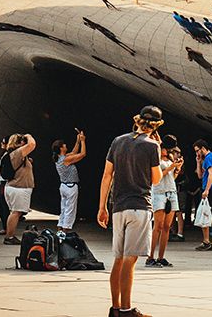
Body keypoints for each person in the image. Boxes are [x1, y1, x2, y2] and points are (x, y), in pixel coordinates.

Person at [97, 106, 163, 317]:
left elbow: (107, 175)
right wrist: (158, 153)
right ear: (156, 126)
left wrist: (102, 206)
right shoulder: (152, 146)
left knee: (118, 258)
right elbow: (156, 179)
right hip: (140, 207)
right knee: (130, 259)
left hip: (118, 207)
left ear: (138, 121)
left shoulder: (118, 141)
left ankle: (115, 308)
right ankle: (126, 310)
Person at [148, 134, 183, 267]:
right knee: (158, 226)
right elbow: (155, 178)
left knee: (167, 227)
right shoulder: (156, 158)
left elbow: (172, 177)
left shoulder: (169, 158)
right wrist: (170, 167)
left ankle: (161, 257)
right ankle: (150, 256)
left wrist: (177, 168)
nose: (168, 152)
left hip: (171, 191)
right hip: (159, 192)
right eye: (167, 149)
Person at [2, 133, 36, 245]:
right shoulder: (17, 153)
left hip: (15, 187)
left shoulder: (14, 154)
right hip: (18, 188)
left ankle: (10, 235)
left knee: (16, 212)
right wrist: (29, 136)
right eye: (22, 141)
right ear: (19, 143)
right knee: (15, 213)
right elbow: (32, 144)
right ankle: (9, 237)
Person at [52, 130, 86, 232]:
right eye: (64, 145)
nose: (66, 146)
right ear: (61, 148)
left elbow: (74, 152)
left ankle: (60, 226)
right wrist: (83, 141)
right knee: (70, 209)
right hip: (70, 186)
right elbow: (82, 154)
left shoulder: (61, 158)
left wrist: (78, 141)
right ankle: (66, 229)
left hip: (63, 186)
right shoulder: (66, 160)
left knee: (63, 208)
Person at [193, 139, 212, 251]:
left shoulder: (210, 158)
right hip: (210, 188)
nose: (197, 153)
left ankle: (209, 241)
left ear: (203, 148)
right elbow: (200, 175)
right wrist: (198, 161)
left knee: (210, 214)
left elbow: (211, 174)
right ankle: (211, 242)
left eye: (197, 151)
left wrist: (206, 190)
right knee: (210, 214)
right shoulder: (206, 159)